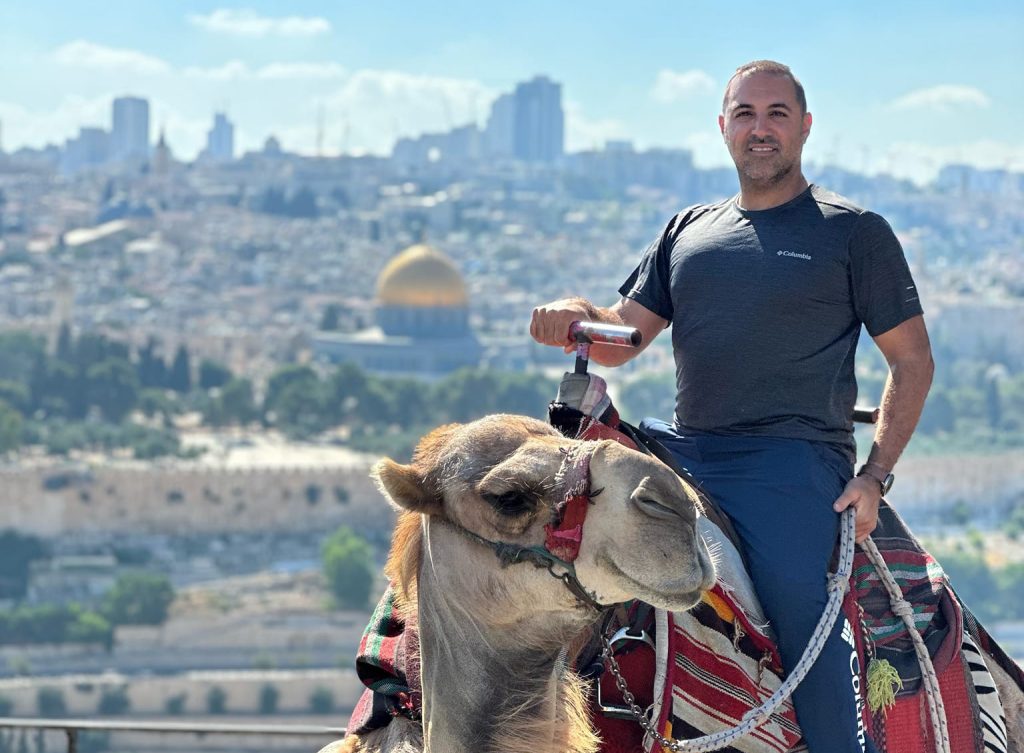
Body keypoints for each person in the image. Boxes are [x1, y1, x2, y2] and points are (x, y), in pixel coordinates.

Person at [530, 60, 933, 753]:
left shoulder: (854, 232)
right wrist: (574, 314)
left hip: (791, 464)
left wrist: (874, 477)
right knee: (541, 502)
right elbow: (622, 336)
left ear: (805, 127)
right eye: (745, 113)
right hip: (686, 447)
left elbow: (913, 361)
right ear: (724, 129)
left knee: (806, 619)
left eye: (777, 113)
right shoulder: (688, 228)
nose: (761, 128)